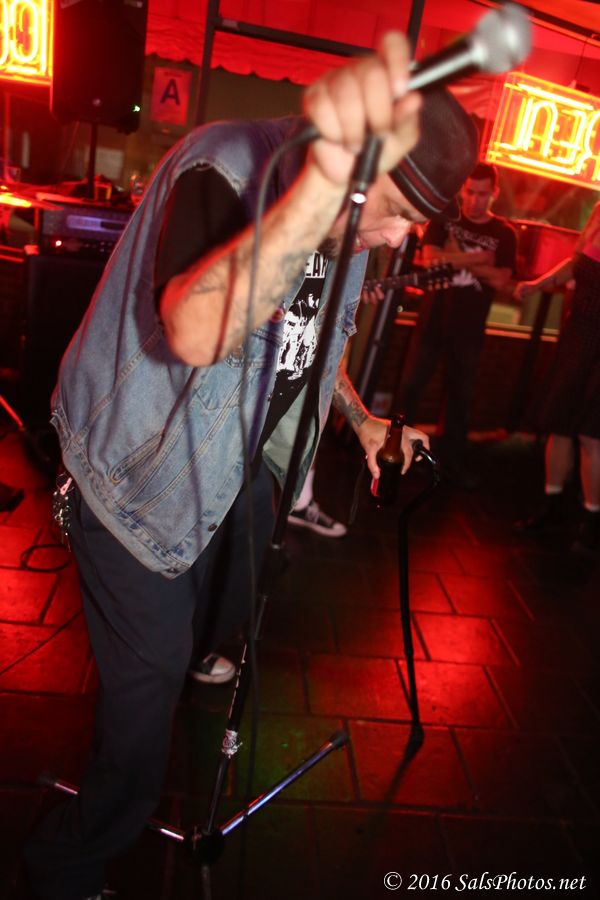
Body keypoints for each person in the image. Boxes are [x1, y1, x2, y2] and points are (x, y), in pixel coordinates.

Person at [24, 33, 478, 900]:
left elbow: (314, 339)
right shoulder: (226, 165)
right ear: (346, 163)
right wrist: (321, 192)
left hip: (233, 464)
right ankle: (65, 867)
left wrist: (362, 420)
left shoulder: (353, 224)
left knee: (239, 588)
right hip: (132, 474)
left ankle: (194, 649)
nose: (395, 236)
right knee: (144, 703)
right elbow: (197, 331)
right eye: (389, 210)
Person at [394, 161, 517, 488]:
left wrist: (452, 255)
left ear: (494, 193)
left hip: (470, 327)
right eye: (470, 192)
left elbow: (502, 280)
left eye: (482, 194)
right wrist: (479, 259)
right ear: (463, 189)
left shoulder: (504, 233)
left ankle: (450, 465)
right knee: (410, 388)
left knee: (460, 398)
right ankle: (396, 452)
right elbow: (429, 259)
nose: (474, 200)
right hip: (433, 319)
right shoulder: (446, 218)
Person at [513, 201, 600, 555]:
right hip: (578, 334)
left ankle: (591, 521)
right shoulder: (597, 214)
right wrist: (536, 285)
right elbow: (576, 264)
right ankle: (552, 506)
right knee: (558, 424)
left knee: (592, 435)